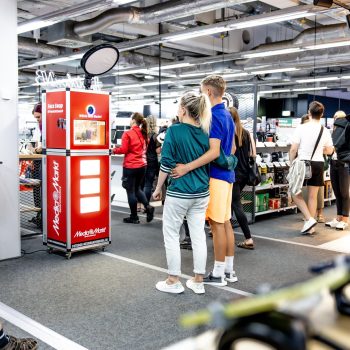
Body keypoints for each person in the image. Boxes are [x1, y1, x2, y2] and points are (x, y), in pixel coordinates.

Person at [172, 75, 237, 286]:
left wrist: (187, 167)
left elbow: (213, 152)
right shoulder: (227, 115)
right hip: (227, 176)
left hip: (216, 177)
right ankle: (228, 270)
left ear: (209, 92)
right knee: (225, 222)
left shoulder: (215, 116)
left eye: (202, 92)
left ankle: (218, 274)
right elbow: (233, 149)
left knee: (217, 225)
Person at [153, 91, 211, 294]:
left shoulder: (175, 131)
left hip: (179, 192)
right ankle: (198, 280)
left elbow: (166, 164)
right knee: (198, 235)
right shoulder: (205, 132)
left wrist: (158, 188)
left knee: (171, 235)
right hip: (202, 192)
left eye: (178, 106)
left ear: (184, 110)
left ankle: (173, 280)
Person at [289, 101, 334, 234]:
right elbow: (330, 150)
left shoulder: (302, 128)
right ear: (322, 114)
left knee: (294, 192)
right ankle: (311, 227)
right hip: (318, 163)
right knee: (313, 196)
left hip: (303, 163)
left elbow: (293, 149)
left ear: (309, 113)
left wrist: (292, 164)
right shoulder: (324, 130)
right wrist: (320, 149)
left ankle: (309, 219)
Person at [112, 113, 154, 224]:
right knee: (137, 189)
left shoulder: (128, 133)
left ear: (133, 120)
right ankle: (148, 206)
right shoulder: (144, 134)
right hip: (142, 166)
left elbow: (124, 149)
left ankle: (134, 217)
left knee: (130, 191)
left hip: (130, 166)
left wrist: (113, 150)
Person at [229, 107, 256, 249]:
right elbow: (253, 153)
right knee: (232, 202)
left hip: (233, 173)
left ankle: (248, 238)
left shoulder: (228, 133)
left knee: (236, 205)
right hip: (245, 173)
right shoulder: (246, 133)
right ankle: (223, 231)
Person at [300, 114, 326, 224]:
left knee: (317, 192)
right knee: (308, 192)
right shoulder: (304, 131)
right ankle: (310, 217)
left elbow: (328, 149)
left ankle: (318, 214)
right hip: (309, 163)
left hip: (315, 163)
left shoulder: (320, 130)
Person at [326, 110, 350, 230]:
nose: (336, 119)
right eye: (335, 117)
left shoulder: (347, 131)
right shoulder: (333, 132)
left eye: (338, 117)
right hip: (333, 163)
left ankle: (345, 219)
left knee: (344, 192)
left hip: (344, 164)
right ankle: (338, 217)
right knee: (336, 192)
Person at [29, 103, 43, 228]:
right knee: (37, 189)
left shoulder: (48, 126)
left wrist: (39, 149)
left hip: (46, 164)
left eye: (39, 117)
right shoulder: (40, 127)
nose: (37, 120)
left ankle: (43, 217)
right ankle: (39, 216)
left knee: (43, 191)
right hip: (38, 162)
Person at [143, 115, 161, 203]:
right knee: (148, 184)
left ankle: (140, 205)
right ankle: (146, 204)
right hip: (152, 161)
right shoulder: (156, 136)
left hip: (142, 161)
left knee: (141, 184)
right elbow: (158, 151)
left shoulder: (142, 134)